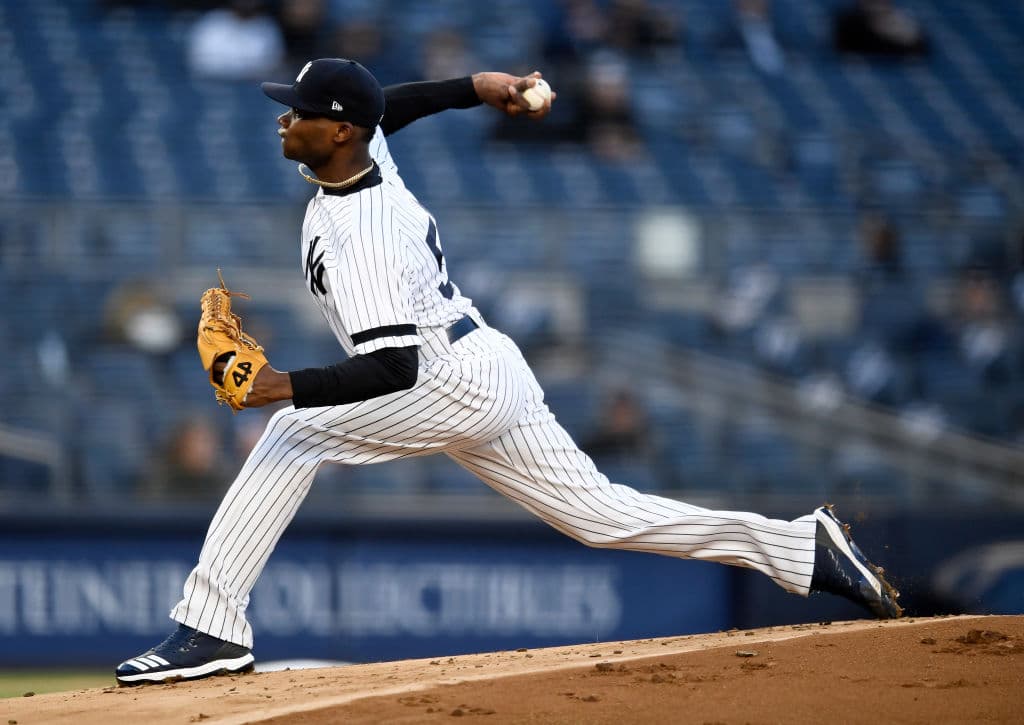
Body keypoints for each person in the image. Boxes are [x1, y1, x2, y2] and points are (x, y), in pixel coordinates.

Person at [114, 58, 901, 686]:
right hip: (483, 362)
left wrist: (279, 386)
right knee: (599, 514)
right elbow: (396, 103)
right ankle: (799, 549)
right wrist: (473, 88)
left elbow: (393, 365)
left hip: (445, 375)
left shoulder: (368, 234)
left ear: (340, 132)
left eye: (299, 111)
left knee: (290, 431)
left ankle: (211, 626)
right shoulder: (360, 153)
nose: (283, 117)